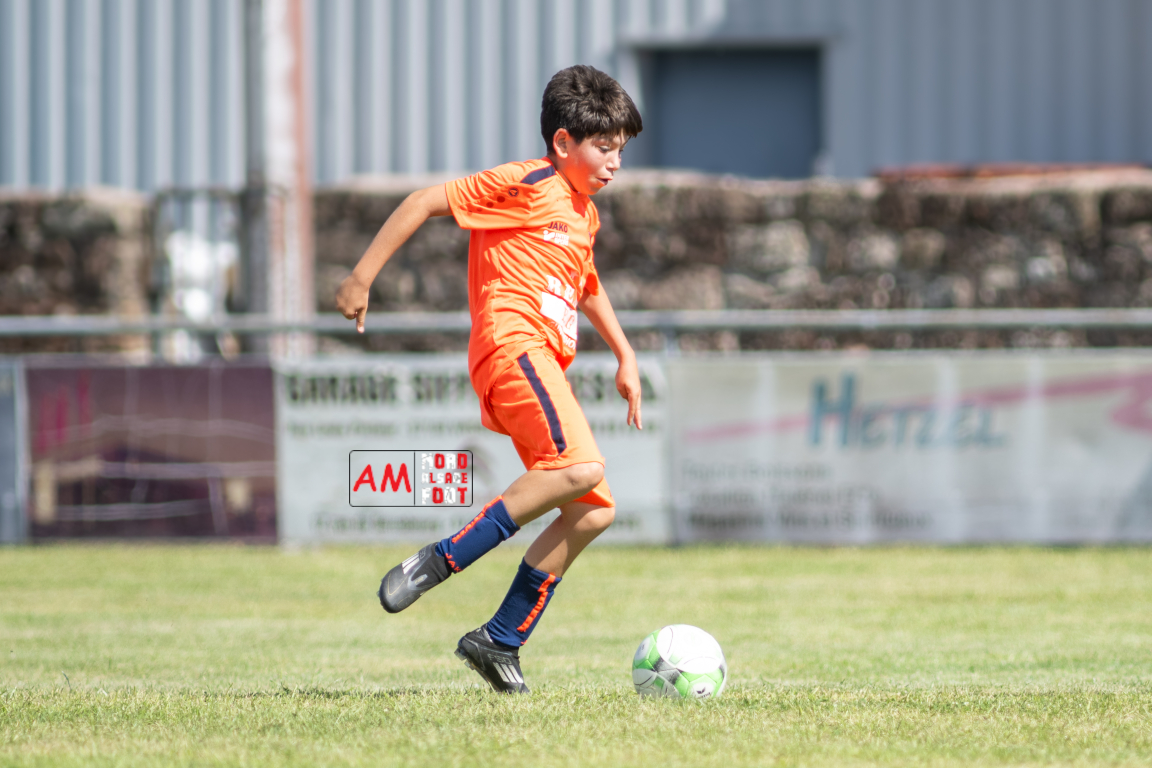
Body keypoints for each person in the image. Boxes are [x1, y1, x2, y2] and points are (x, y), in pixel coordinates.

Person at [335, 65, 643, 693]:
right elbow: (423, 202)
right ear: (563, 143)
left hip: (540, 363)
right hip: (512, 347)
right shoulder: (526, 182)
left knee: (592, 511)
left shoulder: (583, 214)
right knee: (581, 468)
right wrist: (361, 277)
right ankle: (441, 559)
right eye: (604, 147)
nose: (615, 162)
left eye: (620, 150)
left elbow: (586, 285)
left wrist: (625, 354)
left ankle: (499, 640)